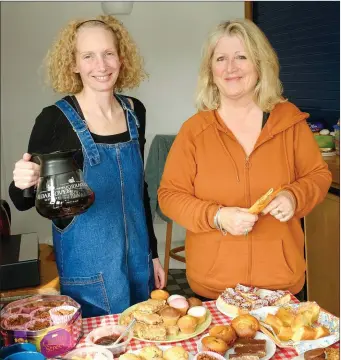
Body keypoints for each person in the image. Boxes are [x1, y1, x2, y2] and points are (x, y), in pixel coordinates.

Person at [157, 19, 332, 300]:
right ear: (210, 70)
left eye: (241, 57)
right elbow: (169, 195)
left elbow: (318, 176)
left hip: (280, 284)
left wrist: (293, 196)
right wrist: (217, 216)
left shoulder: (290, 122)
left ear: (260, 65)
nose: (231, 68)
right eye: (221, 58)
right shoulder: (194, 131)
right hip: (214, 287)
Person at [9, 15, 165, 317]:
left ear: (121, 58)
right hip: (88, 269)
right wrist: (23, 181)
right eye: (88, 56)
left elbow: (138, 189)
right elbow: (21, 201)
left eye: (108, 53)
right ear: (74, 64)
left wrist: (153, 255)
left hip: (138, 261)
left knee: (142, 341)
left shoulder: (135, 111)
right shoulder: (54, 119)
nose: (101, 65)